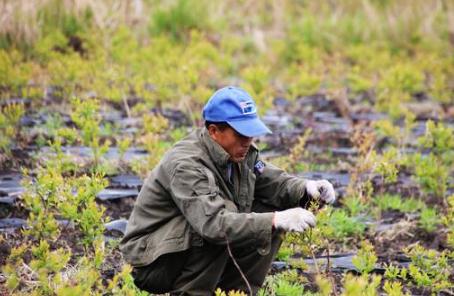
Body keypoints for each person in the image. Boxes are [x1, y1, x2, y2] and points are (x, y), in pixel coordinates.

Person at [120, 86, 336, 295]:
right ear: (214, 131)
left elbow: (272, 181)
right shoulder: (186, 164)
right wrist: (275, 220)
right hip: (152, 260)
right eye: (241, 134)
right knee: (226, 222)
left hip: (180, 246)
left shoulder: (238, 152)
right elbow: (213, 225)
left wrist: (307, 189)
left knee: (269, 211)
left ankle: (235, 293)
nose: (248, 141)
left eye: (251, 133)